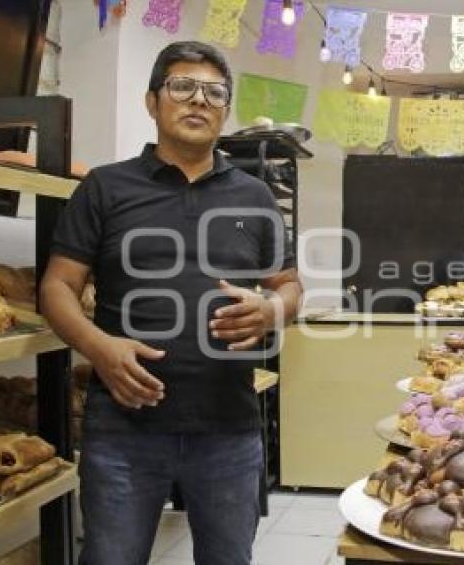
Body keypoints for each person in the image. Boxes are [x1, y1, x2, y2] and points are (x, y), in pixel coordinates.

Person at [39, 41, 303, 565]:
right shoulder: (105, 188)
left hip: (229, 428)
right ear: (153, 101)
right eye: (183, 87)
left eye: (214, 93)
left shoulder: (254, 196)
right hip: (123, 431)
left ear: (226, 110)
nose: (199, 101)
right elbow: (56, 287)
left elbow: (289, 286)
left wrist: (273, 310)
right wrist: (100, 348)